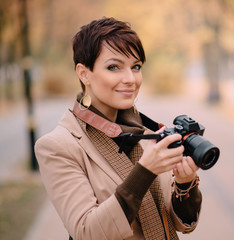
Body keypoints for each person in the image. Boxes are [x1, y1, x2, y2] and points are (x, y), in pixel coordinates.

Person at [35, 17, 202, 240]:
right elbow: (87, 232)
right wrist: (144, 171)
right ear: (84, 73)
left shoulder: (144, 134)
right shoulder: (57, 146)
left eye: (136, 67)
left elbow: (179, 225)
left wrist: (184, 183)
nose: (130, 79)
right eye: (114, 67)